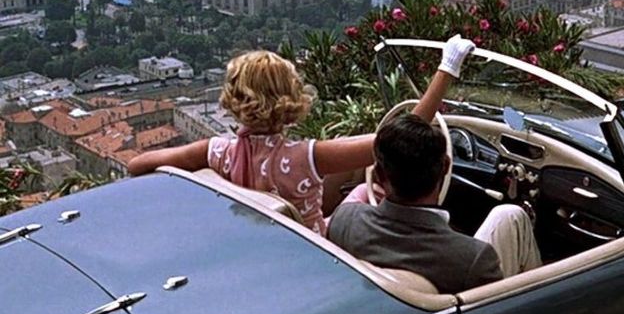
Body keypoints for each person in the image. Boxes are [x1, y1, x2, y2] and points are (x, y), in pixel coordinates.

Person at [127, 35, 476, 235]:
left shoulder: (216, 151)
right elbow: (403, 138)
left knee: (357, 187)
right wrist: (447, 68)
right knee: (363, 194)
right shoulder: (305, 157)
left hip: (257, 245)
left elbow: (137, 165)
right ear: (290, 98)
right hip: (314, 250)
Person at [328, 112, 542, 292]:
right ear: (447, 166)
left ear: (377, 175)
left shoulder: (345, 220)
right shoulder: (474, 260)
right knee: (511, 215)